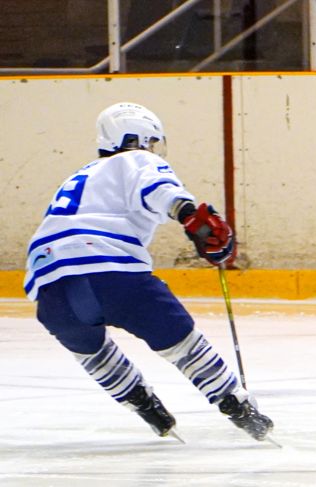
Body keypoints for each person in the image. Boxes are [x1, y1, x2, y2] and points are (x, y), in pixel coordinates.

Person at [23, 102, 274, 441]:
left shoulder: (77, 177)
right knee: (180, 340)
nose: (155, 151)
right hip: (111, 273)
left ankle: (142, 402)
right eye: (152, 143)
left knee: (91, 350)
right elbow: (158, 188)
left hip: (50, 289)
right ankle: (236, 404)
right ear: (137, 139)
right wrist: (191, 217)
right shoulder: (138, 159)